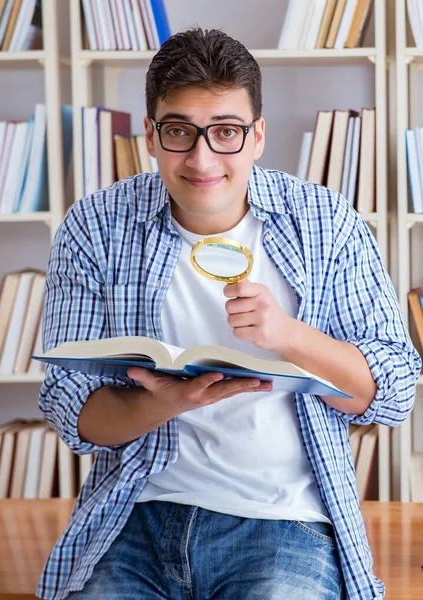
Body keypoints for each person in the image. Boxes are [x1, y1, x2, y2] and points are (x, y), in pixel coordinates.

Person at [36, 27, 421, 600]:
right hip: (134, 512)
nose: (201, 157)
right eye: (179, 132)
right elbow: (71, 410)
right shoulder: (96, 226)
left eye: (226, 133)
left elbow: (394, 391)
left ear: (258, 136)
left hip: (283, 520)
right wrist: (160, 404)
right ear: (150, 135)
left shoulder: (323, 220)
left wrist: (288, 337)